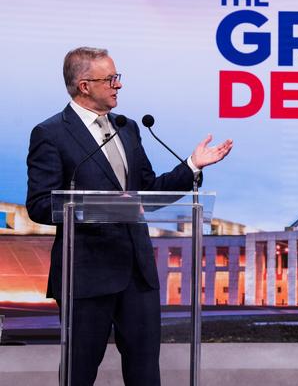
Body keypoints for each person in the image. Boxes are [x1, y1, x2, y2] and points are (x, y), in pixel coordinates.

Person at [26, 47, 233, 385]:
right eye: (110, 79)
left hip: (137, 274)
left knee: (145, 372)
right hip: (85, 277)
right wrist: (104, 207)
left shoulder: (127, 128)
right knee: (78, 374)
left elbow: (148, 193)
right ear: (84, 86)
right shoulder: (51, 133)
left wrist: (192, 166)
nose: (118, 86)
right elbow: (39, 204)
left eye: (116, 78)